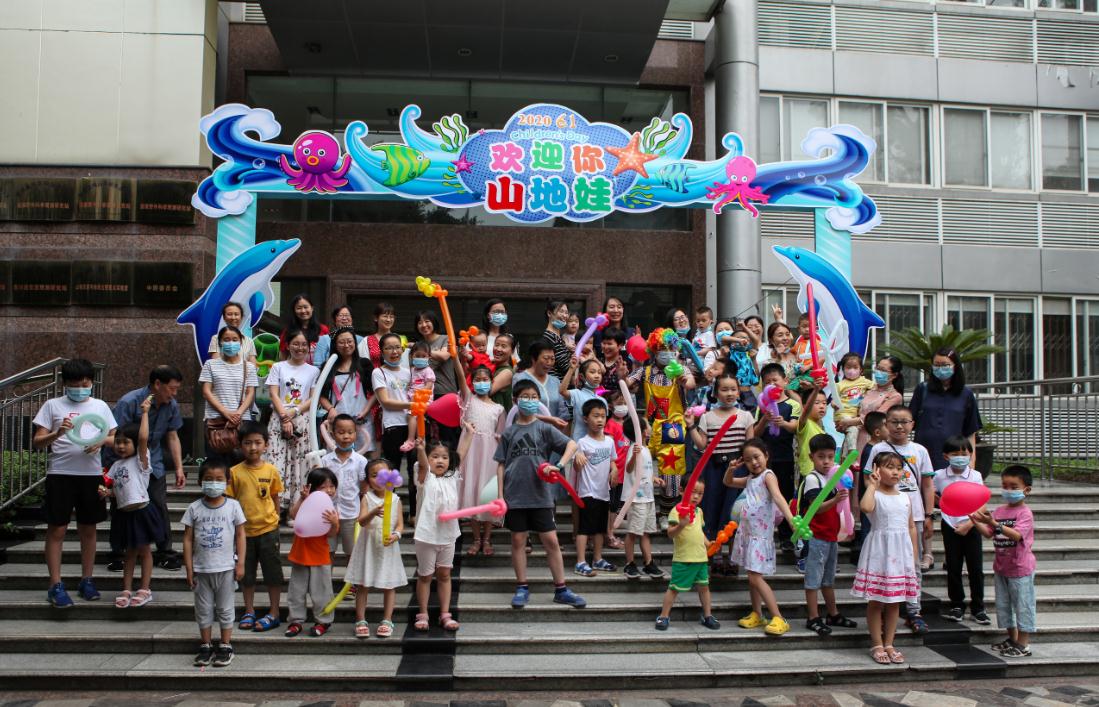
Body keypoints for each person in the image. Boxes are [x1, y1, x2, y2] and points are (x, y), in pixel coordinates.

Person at [495, 379, 587, 609]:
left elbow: (572, 445)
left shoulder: (545, 428)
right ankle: (522, 587)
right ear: (515, 401)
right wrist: (500, 495)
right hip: (514, 495)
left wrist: (559, 465)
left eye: (534, 397)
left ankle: (561, 589)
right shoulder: (508, 433)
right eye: (525, 397)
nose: (530, 400)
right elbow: (500, 465)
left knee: (551, 541)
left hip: (541, 496)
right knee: (518, 540)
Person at [34, 358, 118, 607]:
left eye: (85, 383)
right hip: (60, 474)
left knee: (88, 529)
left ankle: (87, 580)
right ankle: (55, 584)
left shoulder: (100, 406)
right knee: (57, 529)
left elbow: (115, 438)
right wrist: (57, 433)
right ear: (65, 384)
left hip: (91, 475)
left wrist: (101, 442)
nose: (80, 388)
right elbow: (38, 441)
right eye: (75, 384)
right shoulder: (52, 405)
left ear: (92, 382)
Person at [102, 365, 185, 572]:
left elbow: (172, 436)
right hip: (122, 461)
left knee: (158, 504)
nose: (174, 394)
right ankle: (118, 553)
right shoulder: (129, 402)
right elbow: (114, 436)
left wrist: (179, 468)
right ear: (157, 384)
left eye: (177, 389)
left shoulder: (171, 405)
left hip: (151, 461)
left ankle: (165, 552)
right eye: (172, 388)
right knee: (121, 506)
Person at [865, 405, 934, 634]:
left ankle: (914, 611)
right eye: (894, 421)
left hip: (912, 516)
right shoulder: (878, 449)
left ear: (912, 424)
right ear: (886, 424)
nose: (899, 426)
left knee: (912, 565)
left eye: (904, 422)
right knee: (884, 566)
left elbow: (927, 485)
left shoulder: (919, 450)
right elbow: (868, 479)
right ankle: (884, 610)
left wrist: (929, 514)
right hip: (885, 516)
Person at [854, 451, 920, 665]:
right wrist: (871, 485)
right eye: (889, 467)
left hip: (900, 553)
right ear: (877, 470)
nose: (895, 472)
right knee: (876, 601)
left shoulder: (905, 497)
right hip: (880, 552)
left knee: (895, 602)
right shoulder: (874, 494)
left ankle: (889, 643)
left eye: (899, 468)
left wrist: (914, 554)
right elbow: (865, 508)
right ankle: (877, 643)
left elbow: (911, 526)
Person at [726, 439, 798, 636]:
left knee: (755, 577)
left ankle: (778, 617)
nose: (754, 462)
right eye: (748, 460)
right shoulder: (750, 479)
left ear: (766, 455)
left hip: (760, 536)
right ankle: (757, 613)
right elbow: (728, 482)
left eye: (756, 457)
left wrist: (790, 519)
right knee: (752, 577)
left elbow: (778, 497)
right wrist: (731, 469)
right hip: (748, 534)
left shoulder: (768, 476)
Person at [685, 371, 754, 573]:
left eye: (733, 389)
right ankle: (713, 554)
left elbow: (750, 446)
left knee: (733, 513)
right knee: (712, 509)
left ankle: (732, 558)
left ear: (739, 392)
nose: (729, 393)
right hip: (713, 470)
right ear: (715, 393)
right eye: (724, 389)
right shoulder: (707, 417)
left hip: (737, 470)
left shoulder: (746, 416)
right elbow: (701, 445)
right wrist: (691, 426)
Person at [100, 398, 165, 608]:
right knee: (128, 553)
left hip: (142, 512)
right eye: (118, 442)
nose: (120, 446)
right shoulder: (115, 466)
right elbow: (117, 489)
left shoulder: (140, 460)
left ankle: (145, 589)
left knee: (144, 551)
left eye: (126, 442)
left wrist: (145, 413)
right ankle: (126, 589)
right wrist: (106, 492)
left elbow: (144, 437)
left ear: (136, 445)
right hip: (124, 514)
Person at [182, 458, 246, 668]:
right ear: (200, 481)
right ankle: (206, 645)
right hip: (201, 569)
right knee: (203, 609)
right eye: (209, 479)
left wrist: (241, 563)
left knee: (226, 608)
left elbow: (240, 535)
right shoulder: (194, 508)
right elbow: (187, 539)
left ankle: (225, 645)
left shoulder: (233, 506)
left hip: (226, 568)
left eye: (219, 479)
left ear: (227, 481)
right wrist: (189, 568)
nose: (214, 483)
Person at [969, 465, 1036, 658]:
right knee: (1004, 606)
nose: (1008, 490)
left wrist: (993, 523)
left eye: (1014, 487)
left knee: (1023, 606)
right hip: (1002, 567)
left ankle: (1023, 644)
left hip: (1020, 568)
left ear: (1026, 490)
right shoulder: (999, 510)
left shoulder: (1025, 513)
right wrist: (975, 521)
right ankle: (1012, 639)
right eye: (1005, 486)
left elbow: (1016, 535)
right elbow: (989, 534)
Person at [797, 434, 858, 636]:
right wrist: (835, 499)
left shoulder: (834, 476)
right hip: (816, 536)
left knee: (828, 580)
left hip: (831, 536)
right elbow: (816, 507)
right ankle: (813, 617)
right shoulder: (812, 479)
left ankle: (833, 614)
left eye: (830, 457)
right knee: (813, 579)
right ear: (811, 457)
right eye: (821, 456)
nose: (826, 461)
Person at [228, 421, 284, 633]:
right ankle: (249, 610)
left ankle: (274, 612)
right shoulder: (234, 472)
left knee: (273, 573)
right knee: (247, 574)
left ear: (266, 445)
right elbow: (230, 501)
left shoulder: (271, 470)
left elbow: (275, 496)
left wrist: (276, 518)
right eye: (247, 443)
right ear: (240, 445)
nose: (253, 447)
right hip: (243, 533)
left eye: (257, 442)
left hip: (268, 530)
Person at [346, 459, 406, 639]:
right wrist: (373, 512)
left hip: (388, 547)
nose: (379, 479)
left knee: (389, 584)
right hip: (369, 545)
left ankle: (387, 620)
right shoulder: (367, 498)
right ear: (368, 480)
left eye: (383, 475)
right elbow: (361, 521)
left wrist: (396, 535)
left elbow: (400, 524)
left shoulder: (396, 499)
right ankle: (360, 619)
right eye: (374, 475)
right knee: (363, 583)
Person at [933, 435, 988, 625]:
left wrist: (969, 524)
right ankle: (957, 604)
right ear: (946, 456)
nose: (960, 457)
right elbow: (929, 492)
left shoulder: (975, 475)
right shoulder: (939, 475)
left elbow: (982, 502)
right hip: (950, 526)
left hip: (971, 526)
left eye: (964, 454)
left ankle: (978, 607)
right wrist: (941, 502)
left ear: (971, 455)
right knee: (953, 566)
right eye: (955, 454)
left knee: (975, 568)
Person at [265, 329, 320, 512]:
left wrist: (294, 412)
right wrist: (284, 416)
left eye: (304, 344)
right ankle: (275, 509)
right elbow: (273, 393)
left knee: (300, 464)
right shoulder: (278, 367)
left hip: (302, 419)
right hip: (278, 419)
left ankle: (295, 510)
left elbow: (313, 398)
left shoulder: (313, 370)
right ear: (288, 345)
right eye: (296, 344)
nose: (300, 348)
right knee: (276, 462)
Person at [654, 480, 719, 631]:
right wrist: (681, 524)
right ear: (682, 490)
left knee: (704, 587)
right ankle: (663, 616)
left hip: (700, 558)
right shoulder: (676, 511)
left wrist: (709, 544)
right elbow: (670, 534)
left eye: (700, 493)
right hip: (683, 558)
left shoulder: (699, 512)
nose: (696, 496)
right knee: (674, 588)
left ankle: (707, 615)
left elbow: (699, 532)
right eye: (693, 492)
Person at [455, 360, 505, 557]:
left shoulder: (499, 408)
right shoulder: (468, 399)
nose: (481, 382)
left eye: (485, 379)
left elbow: (501, 435)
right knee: (472, 491)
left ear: (491, 382)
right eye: (478, 379)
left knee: (487, 494)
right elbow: (460, 376)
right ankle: (476, 539)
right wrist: (456, 357)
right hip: (469, 451)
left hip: (490, 454)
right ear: (472, 382)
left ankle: (487, 539)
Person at [284, 468, 340, 637]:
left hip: (320, 555)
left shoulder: (331, 509)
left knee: (322, 592)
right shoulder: (306, 502)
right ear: (313, 487)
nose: (329, 490)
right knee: (296, 591)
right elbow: (293, 515)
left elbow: (331, 534)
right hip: (300, 553)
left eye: (332, 486)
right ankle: (296, 621)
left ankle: (323, 621)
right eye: (323, 487)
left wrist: (335, 523)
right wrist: (302, 498)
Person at [413, 440, 462, 632]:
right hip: (426, 536)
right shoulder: (425, 478)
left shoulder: (453, 477)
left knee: (444, 574)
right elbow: (423, 465)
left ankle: (445, 614)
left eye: (444, 457)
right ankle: (423, 614)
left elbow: (462, 453)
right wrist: (420, 450)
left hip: (448, 535)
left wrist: (468, 433)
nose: (440, 460)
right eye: (434, 456)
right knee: (425, 576)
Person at [910, 347, 983, 471]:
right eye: (936, 365)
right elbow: (909, 421)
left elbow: (971, 431)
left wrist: (972, 460)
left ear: (955, 366)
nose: (940, 369)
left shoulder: (966, 394)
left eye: (945, 365)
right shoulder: (922, 390)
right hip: (923, 453)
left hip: (954, 456)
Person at [754, 362, 801, 547]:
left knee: (785, 495)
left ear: (785, 381)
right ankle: (762, 532)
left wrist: (783, 423)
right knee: (763, 495)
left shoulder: (792, 405)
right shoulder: (762, 405)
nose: (772, 385)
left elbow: (795, 427)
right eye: (767, 382)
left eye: (775, 380)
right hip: (764, 461)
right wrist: (764, 419)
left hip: (785, 458)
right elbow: (755, 433)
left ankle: (786, 536)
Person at [574, 399, 618, 577]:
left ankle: (597, 559)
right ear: (586, 419)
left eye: (603, 416)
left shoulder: (609, 441)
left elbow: (613, 461)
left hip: (603, 492)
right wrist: (577, 458)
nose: (600, 420)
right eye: (595, 416)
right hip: (588, 491)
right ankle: (580, 562)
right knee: (585, 528)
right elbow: (576, 468)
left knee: (600, 528)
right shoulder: (582, 443)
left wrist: (614, 470)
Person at [200, 326, 258, 461]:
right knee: (216, 464)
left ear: (241, 342)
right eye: (226, 340)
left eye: (234, 339)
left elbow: (250, 393)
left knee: (241, 464)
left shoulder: (249, 367)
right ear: (220, 342)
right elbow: (206, 392)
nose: (231, 343)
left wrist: (238, 413)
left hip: (241, 420)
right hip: (216, 421)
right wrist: (225, 412)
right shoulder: (210, 364)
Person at [318, 327, 375, 457]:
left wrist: (365, 411)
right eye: (341, 342)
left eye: (349, 341)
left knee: (363, 456)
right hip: (338, 419)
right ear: (335, 345)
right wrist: (331, 409)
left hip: (361, 419)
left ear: (355, 342)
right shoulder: (328, 366)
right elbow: (321, 395)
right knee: (336, 456)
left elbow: (375, 392)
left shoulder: (364, 364)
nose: (346, 345)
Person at [372, 332, 415, 508]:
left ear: (403, 350)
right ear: (382, 351)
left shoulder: (410, 372)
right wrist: (413, 405)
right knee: (392, 470)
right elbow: (386, 402)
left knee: (414, 470)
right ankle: (390, 510)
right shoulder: (379, 372)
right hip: (392, 425)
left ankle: (414, 513)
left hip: (412, 426)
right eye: (389, 348)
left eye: (397, 347)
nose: (394, 351)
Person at [322, 414, 368, 561]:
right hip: (328, 514)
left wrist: (363, 511)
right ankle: (326, 577)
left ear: (356, 434)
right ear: (333, 434)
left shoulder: (361, 461)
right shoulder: (325, 460)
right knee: (327, 552)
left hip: (351, 514)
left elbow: (364, 489)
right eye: (341, 432)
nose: (346, 436)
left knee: (352, 554)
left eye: (350, 432)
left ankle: (352, 577)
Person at [414, 310, 460, 447]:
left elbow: (444, 356)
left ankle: (451, 460)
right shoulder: (419, 344)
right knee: (428, 435)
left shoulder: (446, 338)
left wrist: (419, 351)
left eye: (427, 321)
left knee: (448, 435)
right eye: (420, 322)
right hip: (425, 394)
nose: (424, 325)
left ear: (434, 322)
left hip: (445, 392)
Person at [621, 442, 666, 580]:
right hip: (636, 498)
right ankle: (630, 563)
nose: (650, 431)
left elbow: (644, 471)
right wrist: (634, 456)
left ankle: (648, 562)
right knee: (633, 532)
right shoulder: (634, 447)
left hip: (648, 497)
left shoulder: (646, 449)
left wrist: (654, 478)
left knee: (645, 532)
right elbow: (629, 469)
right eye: (647, 429)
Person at [834, 352, 873, 459]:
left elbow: (876, 389)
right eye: (848, 367)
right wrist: (834, 404)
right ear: (843, 369)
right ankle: (852, 452)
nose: (852, 370)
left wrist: (866, 394)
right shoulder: (839, 385)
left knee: (851, 432)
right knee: (853, 430)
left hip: (854, 415)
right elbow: (834, 400)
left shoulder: (864, 382)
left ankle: (845, 457)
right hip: (843, 414)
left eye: (855, 367)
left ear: (861, 370)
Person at [400, 340, 437, 453]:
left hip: (423, 399)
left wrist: (418, 396)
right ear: (411, 356)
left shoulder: (428, 371)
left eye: (423, 356)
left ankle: (411, 440)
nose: (420, 358)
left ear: (429, 357)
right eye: (417, 356)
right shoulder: (412, 370)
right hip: (413, 399)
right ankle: (419, 440)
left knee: (411, 415)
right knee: (415, 418)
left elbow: (428, 386)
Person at [279, 293, 328, 360]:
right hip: (295, 366)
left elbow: (328, 352)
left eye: (305, 307)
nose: (303, 311)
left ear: (312, 308)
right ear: (294, 311)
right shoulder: (288, 331)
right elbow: (283, 355)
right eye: (299, 308)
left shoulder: (323, 329)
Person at [796, 384, 827, 477]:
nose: (822, 406)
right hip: (808, 474)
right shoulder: (805, 424)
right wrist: (816, 389)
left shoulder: (822, 430)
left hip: (821, 474)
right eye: (816, 403)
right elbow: (806, 411)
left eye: (824, 403)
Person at [359, 301, 398, 369]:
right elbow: (363, 366)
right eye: (385, 316)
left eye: (391, 317)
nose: (388, 320)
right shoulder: (367, 341)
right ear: (376, 318)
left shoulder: (398, 339)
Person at [541, 299, 573, 379]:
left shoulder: (557, 337)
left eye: (566, 312)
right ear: (549, 313)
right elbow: (567, 367)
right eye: (561, 311)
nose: (565, 315)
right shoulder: (550, 338)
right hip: (556, 385)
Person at [489, 333, 517, 412]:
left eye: (503, 346)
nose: (498, 349)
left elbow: (485, 392)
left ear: (512, 351)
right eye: (496, 345)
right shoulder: (491, 365)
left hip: (499, 418)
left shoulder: (507, 372)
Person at [599, 327, 631, 394]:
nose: (605, 347)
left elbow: (631, 389)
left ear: (620, 345)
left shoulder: (625, 364)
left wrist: (623, 378)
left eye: (609, 344)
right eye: (604, 343)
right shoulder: (598, 361)